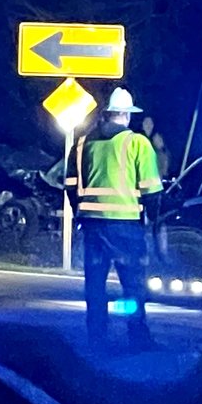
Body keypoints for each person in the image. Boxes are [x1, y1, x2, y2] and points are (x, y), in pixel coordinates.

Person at [64, 88, 164, 349]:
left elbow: (70, 185)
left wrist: (81, 213)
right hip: (126, 226)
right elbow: (152, 191)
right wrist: (153, 223)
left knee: (95, 286)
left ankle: (96, 337)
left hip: (92, 227)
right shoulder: (138, 143)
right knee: (132, 286)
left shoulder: (83, 143)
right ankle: (137, 337)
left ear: (107, 114)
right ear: (127, 116)